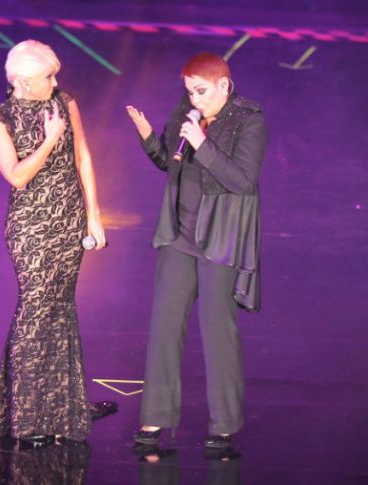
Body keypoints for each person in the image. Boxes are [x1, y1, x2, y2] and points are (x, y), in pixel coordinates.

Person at [0, 39, 115, 445]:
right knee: (35, 309)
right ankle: (26, 415)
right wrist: (49, 139)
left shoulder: (65, 101)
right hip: (31, 227)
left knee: (60, 309)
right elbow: (16, 176)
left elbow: (82, 156)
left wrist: (95, 215)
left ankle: (62, 408)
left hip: (69, 221)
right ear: (25, 83)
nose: (56, 80)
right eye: (48, 76)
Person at [126, 52, 268, 449]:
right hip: (179, 235)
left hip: (219, 238)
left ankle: (224, 424)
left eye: (202, 91)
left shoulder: (249, 120)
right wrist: (149, 138)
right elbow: (169, 165)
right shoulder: (185, 114)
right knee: (164, 326)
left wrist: (203, 142)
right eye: (189, 92)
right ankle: (155, 418)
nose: (194, 100)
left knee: (217, 329)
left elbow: (242, 181)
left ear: (224, 85)